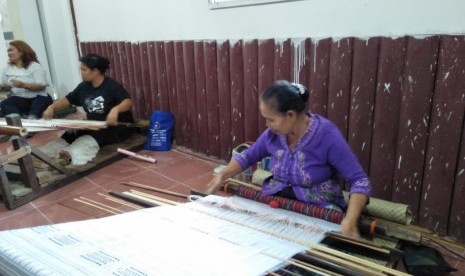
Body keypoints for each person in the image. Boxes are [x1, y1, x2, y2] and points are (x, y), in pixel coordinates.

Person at [207, 80, 371, 238]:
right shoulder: (273, 135)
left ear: (291, 115)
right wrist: (223, 174)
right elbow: (248, 156)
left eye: (271, 119)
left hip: (317, 209)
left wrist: (350, 219)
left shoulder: (326, 135)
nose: (267, 124)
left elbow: (359, 180)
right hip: (278, 201)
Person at [42, 53, 135, 165]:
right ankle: (46, 155)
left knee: (87, 139)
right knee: (68, 136)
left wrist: (115, 110)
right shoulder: (83, 87)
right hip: (94, 124)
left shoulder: (112, 86)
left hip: (115, 127)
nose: (81, 73)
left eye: (84, 70)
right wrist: (51, 107)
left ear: (95, 71)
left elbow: (128, 102)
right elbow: (68, 99)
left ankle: (68, 157)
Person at [0, 40, 53, 119]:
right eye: (8, 51)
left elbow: (41, 86)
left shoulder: (35, 66)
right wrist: (4, 87)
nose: (9, 53)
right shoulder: (7, 69)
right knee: (5, 103)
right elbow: (6, 88)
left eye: (11, 50)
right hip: (21, 99)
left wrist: (24, 85)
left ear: (21, 51)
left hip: (38, 97)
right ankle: (19, 121)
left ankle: (32, 119)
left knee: (39, 103)